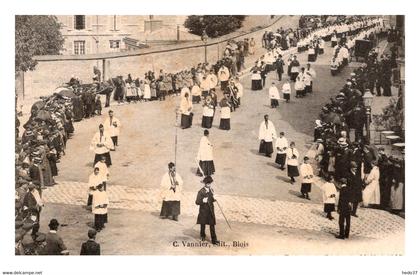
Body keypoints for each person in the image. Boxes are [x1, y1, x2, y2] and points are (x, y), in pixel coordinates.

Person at [195, 176, 220, 245]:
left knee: (212, 225)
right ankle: (202, 236)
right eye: (207, 183)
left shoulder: (211, 190)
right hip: (203, 211)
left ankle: (214, 240)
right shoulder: (201, 192)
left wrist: (214, 198)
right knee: (203, 224)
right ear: (205, 183)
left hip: (210, 211)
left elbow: (211, 200)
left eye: (210, 183)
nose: (209, 185)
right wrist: (203, 200)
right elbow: (197, 202)